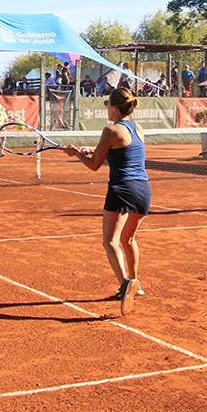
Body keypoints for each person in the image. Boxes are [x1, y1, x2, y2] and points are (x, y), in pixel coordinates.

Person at [62, 88, 149, 315]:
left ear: (114, 107)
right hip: (143, 190)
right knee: (128, 239)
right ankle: (135, 282)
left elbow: (93, 165)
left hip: (122, 189)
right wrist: (91, 150)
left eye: (107, 105)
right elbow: (124, 153)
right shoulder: (138, 129)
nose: (106, 110)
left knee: (110, 241)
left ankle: (125, 285)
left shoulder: (110, 130)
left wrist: (76, 154)